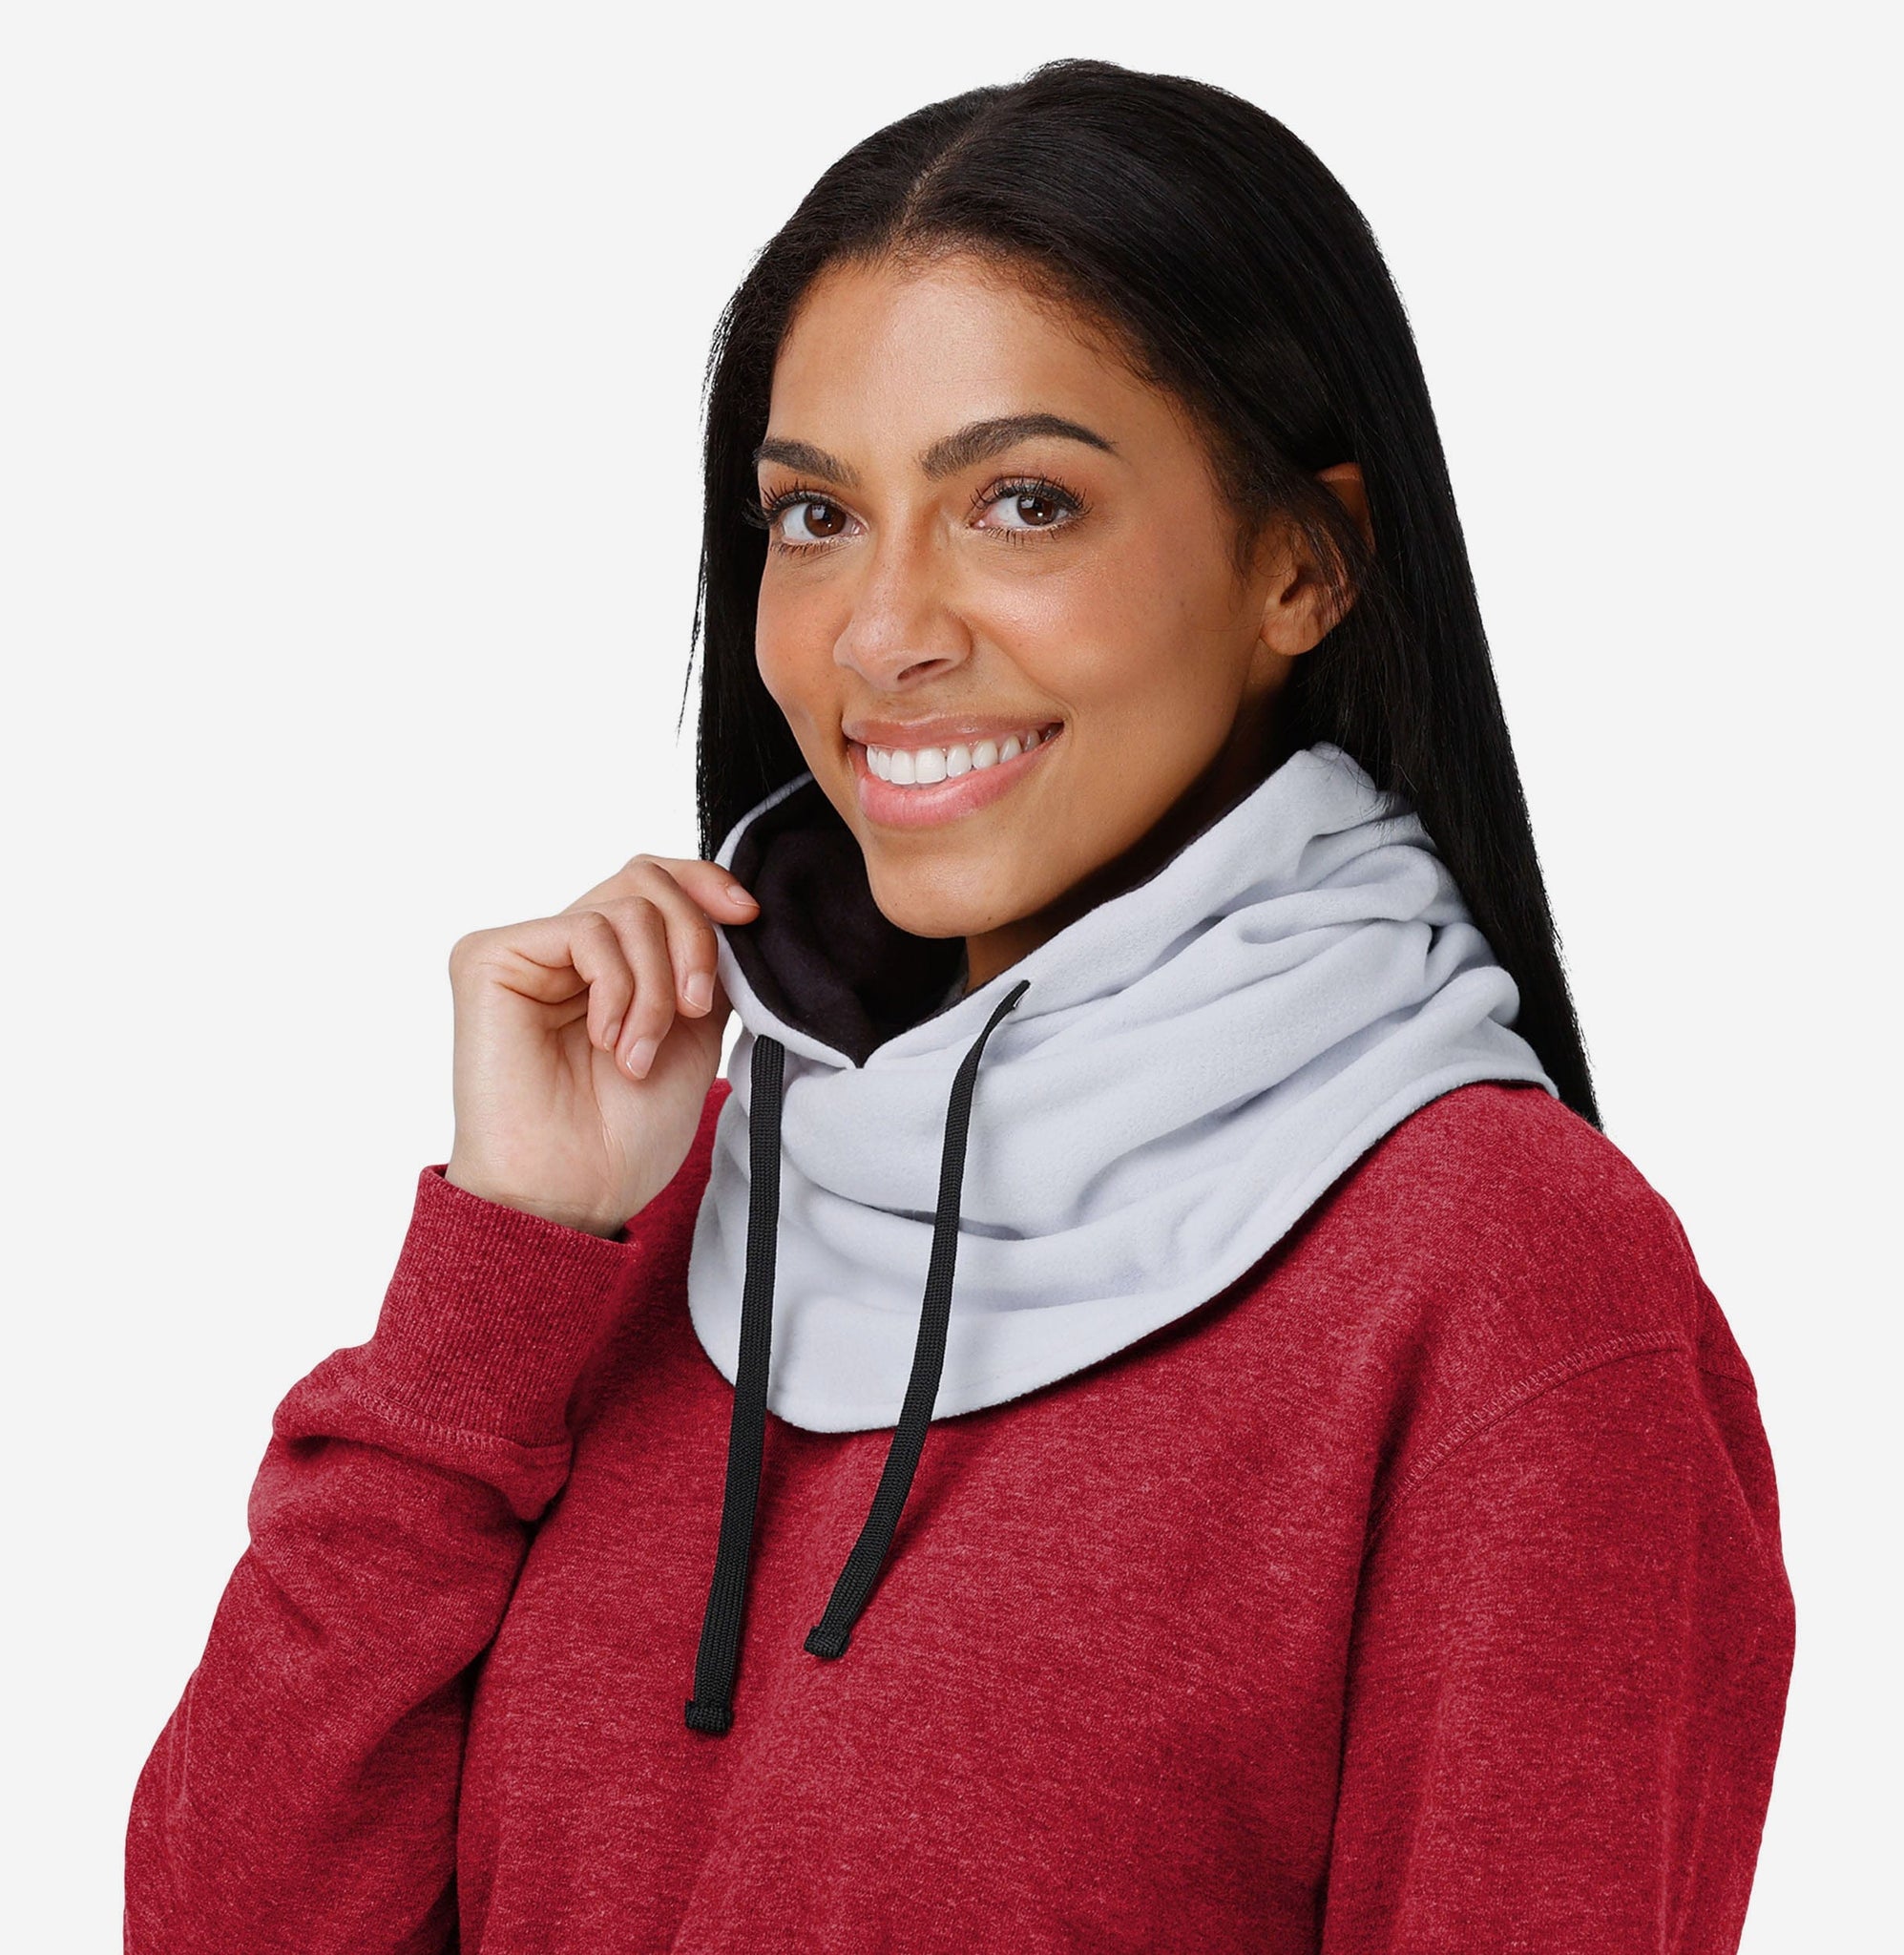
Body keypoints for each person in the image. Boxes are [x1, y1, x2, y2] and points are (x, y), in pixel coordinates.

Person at [125, 56, 1795, 1953]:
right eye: (813, 517)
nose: (880, 633)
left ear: (1302, 564)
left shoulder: (1502, 1282)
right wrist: (502, 1279)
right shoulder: (663, 1212)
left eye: (1020, 502)